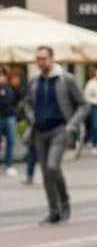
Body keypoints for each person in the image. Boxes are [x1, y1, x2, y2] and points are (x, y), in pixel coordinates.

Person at [21, 46, 88, 224]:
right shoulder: (34, 82)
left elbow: (83, 105)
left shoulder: (66, 79)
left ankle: (64, 202)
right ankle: (54, 211)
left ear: (51, 59)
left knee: (52, 166)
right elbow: (26, 103)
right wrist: (30, 117)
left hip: (60, 129)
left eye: (43, 59)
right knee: (45, 172)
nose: (40, 62)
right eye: (38, 59)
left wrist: (72, 125)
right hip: (40, 132)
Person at [0, 65, 19, 176]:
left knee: (11, 141)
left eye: (3, 76)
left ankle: (9, 165)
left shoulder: (10, 88)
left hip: (9, 116)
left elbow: (10, 100)